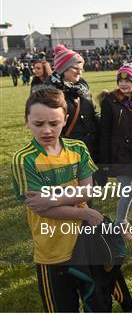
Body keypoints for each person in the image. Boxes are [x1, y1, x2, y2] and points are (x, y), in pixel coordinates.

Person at [11, 88, 104, 312]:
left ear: (65, 119)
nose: (46, 130)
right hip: (51, 251)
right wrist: (85, 213)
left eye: (54, 123)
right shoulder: (24, 159)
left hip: (85, 243)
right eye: (38, 123)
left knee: (98, 303)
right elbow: (40, 209)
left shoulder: (78, 149)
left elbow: (88, 191)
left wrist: (52, 198)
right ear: (27, 121)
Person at [99, 63, 132, 239]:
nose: (123, 84)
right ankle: (120, 226)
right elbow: (105, 132)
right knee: (127, 190)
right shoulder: (110, 101)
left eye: (127, 80)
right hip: (119, 153)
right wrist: (105, 161)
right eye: (120, 80)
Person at [44, 45, 100, 165]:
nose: (80, 72)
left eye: (81, 68)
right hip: (67, 154)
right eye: (76, 68)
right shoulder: (50, 93)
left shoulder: (83, 89)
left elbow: (93, 115)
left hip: (91, 151)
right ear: (63, 69)